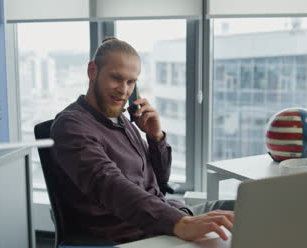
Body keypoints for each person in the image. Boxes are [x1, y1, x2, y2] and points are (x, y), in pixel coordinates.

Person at [50, 37, 234, 244]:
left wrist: (155, 138)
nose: (124, 90)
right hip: (134, 232)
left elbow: (159, 182)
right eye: (116, 78)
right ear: (93, 71)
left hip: (166, 213)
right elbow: (109, 184)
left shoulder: (122, 120)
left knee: (245, 207)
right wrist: (179, 223)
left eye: (131, 82)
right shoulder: (72, 126)